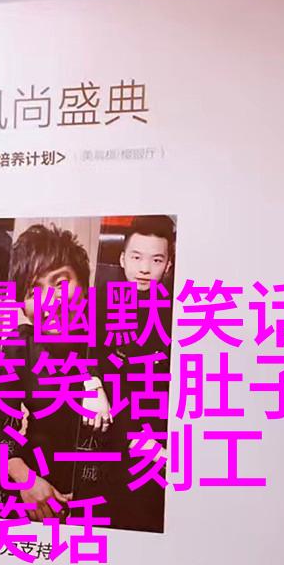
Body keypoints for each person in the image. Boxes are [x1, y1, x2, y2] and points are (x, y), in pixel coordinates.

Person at [2, 223, 110, 522]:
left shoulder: (110, 334)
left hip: (109, 495)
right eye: (33, 291)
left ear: (84, 285)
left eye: (60, 283)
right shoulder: (19, 346)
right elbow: (0, 428)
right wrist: (25, 479)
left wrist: (94, 383)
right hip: (40, 488)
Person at [93, 215, 176, 532]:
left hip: (162, 443)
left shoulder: (178, 312)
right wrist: (92, 384)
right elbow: (86, 362)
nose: (144, 269)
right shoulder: (100, 302)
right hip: (111, 438)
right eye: (137, 257)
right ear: (122, 259)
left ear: (168, 266)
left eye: (156, 260)